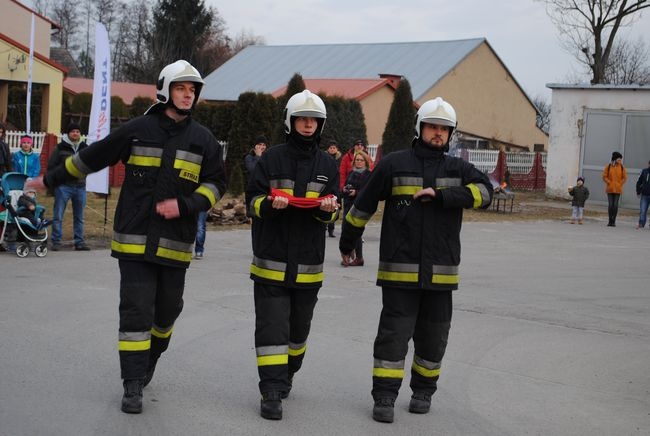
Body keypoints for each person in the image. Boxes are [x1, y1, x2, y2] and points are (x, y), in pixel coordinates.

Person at [29, 60, 227, 414]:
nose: (188, 94)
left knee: (167, 312)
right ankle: (132, 383)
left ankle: (151, 356)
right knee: (135, 312)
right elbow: (90, 158)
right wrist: (51, 179)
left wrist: (188, 204)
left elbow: (216, 182)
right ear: (166, 89)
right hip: (134, 241)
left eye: (193, 89)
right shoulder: (137, 129)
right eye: (182, 88)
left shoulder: (204, 141)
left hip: (176, 244)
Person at [339, 97, 492, 423]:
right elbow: (363, 206)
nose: (438, 133)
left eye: (443, 129)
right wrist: (348, 241)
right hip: (399, 271)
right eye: (432, 127)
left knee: (434, 336)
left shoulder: (458, 169)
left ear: (450, 134)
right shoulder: (394, 164)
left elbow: (486, 191)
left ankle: (423, 391)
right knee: (393, 335)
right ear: (420, 128)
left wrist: (445, 197)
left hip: (441, 272)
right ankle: (384, 396)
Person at [245, 89, 339, 421]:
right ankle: (270, 391)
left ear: (321, 124)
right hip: (271, 263)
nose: (308, 124)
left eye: (314, 119)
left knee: (297, 334)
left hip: (308, 268)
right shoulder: (270, 159)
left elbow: (332, 211)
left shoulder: (328, 165)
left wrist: (328, 210)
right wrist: (269, 204)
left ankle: (288, 373)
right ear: (290, 121)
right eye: (302, 118)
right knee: (272, 329)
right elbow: (252, 203)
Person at [47, 122, 90, 251]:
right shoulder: (60, 148)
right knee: (58, 216)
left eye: (77, 131)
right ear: (68, 133)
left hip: (80, 187)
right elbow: (52, 166)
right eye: (73, 131)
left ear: (80, 134)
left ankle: (79, 242)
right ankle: (56, 241)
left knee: (79, 217)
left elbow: (89, 164)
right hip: (63, 187)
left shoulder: (85, 147)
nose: (75, 133)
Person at [340, 150, 372, 266]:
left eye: (361, 160)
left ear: (365, 162)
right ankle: (347, 255)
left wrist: (356, 192)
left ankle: (359, 258)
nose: (359, 162)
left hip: (360, 207)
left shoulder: (369, 175)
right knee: (346, 231)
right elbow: (345, 186)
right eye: (357, 160)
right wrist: (344, 190)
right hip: (348, 205)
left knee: (356, 232)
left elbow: (369, 192)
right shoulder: (351, 173)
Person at [602, 151, 627, 227]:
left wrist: (620, 184)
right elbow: (604, 176)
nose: (620, 161)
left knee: (615, 205)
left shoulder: (622, 167)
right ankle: (610, 220)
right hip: (610, 188)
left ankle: (614, 221)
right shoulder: (609, 166)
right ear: (615, 159)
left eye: (620, 159)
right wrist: (609, 182)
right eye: (619, 159)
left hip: (618, 189)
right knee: (610, 205)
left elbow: (625, 177)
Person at [325, 140, 342, 237]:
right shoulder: (324, 158)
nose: (332, 149)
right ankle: (323, 225)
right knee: (325, 206)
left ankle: (331, 228)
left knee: (335, 207)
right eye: (331, 147)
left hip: (336, 186)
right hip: (327, 186)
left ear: (337, 149)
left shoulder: (340, 159)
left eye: (334, 148)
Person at [636, 160, 650, 229]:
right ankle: (641, 223)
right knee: (643, 210)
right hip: (644, 194)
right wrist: (638, 191)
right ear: (649, 164)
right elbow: (639, 182)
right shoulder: (644, 171)